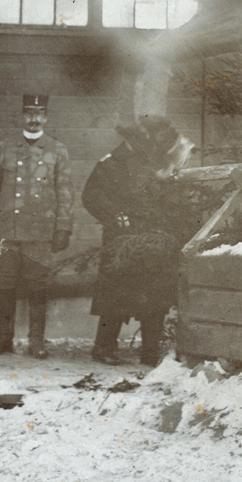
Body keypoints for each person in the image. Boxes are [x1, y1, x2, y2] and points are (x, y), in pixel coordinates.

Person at [83, 116, 194, 366]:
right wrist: (114, 215)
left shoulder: (155, 163)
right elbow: (91, 195)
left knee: (154, 296)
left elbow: (168, 195)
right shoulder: (110, 164)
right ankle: (103, 348)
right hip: (121, 238)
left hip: (152, 237)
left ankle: (150, 352)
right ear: (128, 139)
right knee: (114, 295)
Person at [0, 94, 74, 359]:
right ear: (22, 116)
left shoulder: (57, 150)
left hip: (40, 231)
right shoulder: (5, 148)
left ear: (46, 117)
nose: (34, 118)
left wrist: (63, 227)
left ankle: (36, 342)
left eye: (39, 113)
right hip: (7, 230)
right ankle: (4, 339)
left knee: (38, 285)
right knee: (5, 282)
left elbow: (65, 191)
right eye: (29, 113)